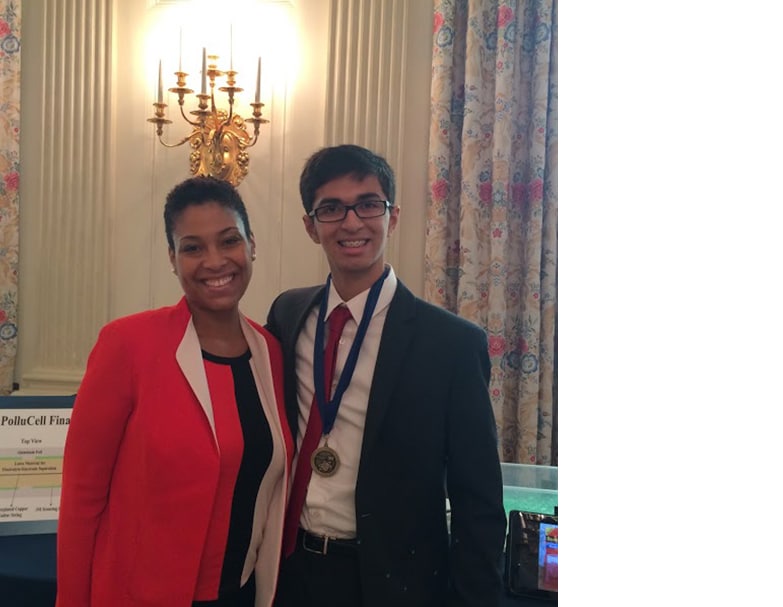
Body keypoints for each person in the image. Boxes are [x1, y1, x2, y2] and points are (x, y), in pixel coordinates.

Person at [266, 144, 506, 606]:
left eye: (368, 204)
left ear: (392, 217)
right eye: (331, 208)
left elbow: (478, 500)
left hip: (392, 582)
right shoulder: (288, 313)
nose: (351, 222)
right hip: (289, 569)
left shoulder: (452, 345)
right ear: (311, 226)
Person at [56, 176, 294, 607]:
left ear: (251, 245)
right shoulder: (128, 344)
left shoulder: (271, 353)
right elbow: (81, 499)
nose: (215, 261)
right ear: (173, 258)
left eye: (229, 241)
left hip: (241, 594)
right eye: (193, 247)